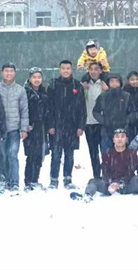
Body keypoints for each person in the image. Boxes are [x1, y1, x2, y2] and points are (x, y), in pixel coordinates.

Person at [47, 60, 87, 189]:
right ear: (60, 70)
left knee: (69, 154)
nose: (66, 71)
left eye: (68, 68)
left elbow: (82, 108)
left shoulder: (77, 85)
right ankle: (53, 180)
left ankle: (68, 179)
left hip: (72, 126)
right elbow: (49, 107)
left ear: (72, 69)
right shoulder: (53, 84)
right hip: (57, 125)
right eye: (63, 68)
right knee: (56, 154)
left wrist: (81, 126)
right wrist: (50, 125)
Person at [0, 62, 29, 193]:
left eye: (11, 71)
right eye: (6, 71)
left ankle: (14, 183)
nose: (9, 73)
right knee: (1, 156)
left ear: (15, 73)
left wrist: (24, 128)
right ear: (2, 73)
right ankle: (3, 182)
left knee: (12, 155)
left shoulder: (20, 90)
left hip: (14, 129)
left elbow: (24, 111)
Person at [84, 129, 138, 198]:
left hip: (127, 185)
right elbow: (105, 172)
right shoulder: (107, 154)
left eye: (122, 136)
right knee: (93, 181)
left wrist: (120, 184)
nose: (120, 139)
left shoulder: (132, 154)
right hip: (110, 187)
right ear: (113, 140)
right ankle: (87, 195)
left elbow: (130, 171)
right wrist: (111, 183)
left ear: (126, 139)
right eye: (117, 137)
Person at [93, 73, 134, 154]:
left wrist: (126, 120)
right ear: (108, 83)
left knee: (124, 156)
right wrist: (104, 121)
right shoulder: (103, 96)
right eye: (112, 81)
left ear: (120, 83)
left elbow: (134, 111)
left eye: (117, 81)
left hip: (123, 131)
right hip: (107, 130)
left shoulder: (127, 96)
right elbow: (96, 111)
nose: (114, 84)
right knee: (107, 156)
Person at [23, 67, 50, 192]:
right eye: (34, 77)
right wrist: (26, 124)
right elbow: (23, 110)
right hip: (30, 128)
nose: (37, 80)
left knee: (40, 154)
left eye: (39, 77)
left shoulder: (44, 92)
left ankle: (35, 180)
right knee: (31, 155)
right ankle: (28, 181)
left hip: (42, 127)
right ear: (30, 79)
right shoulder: (25, 92)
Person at [82, 62, 105, 179]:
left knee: (105, 151)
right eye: (91, 69)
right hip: (89, 123)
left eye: (96, 69)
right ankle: (96, 176)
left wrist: (107, 89)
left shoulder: (105, 84)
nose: (94, 72)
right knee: (93, 152)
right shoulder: (84, 85)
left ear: (101, 71)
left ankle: (106, 174)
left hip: (103, 123)